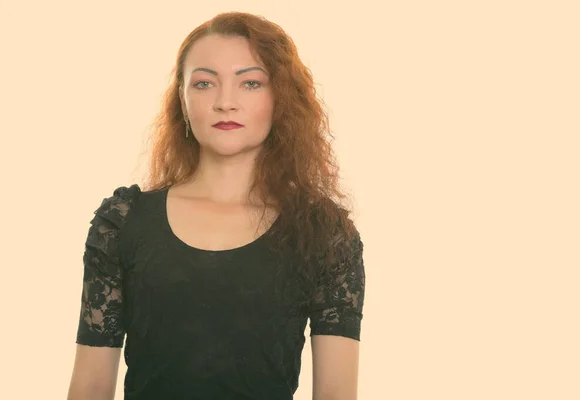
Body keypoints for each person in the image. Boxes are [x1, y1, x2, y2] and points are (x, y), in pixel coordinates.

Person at [67, 11, 366, 400]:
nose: (226, 102)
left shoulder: (325, 233)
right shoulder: (122, 224)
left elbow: (336, 395)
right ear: (182, 97)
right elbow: (89, 387)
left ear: (281, 97)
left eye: (251, 83)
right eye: (205, 83)